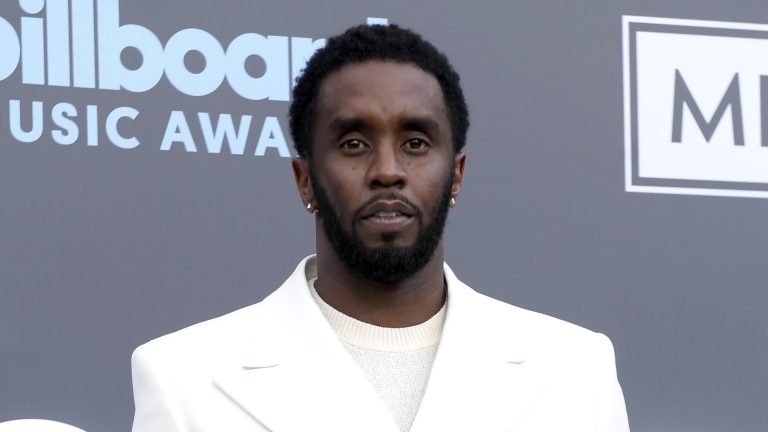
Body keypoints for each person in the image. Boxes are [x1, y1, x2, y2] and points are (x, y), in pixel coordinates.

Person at [131, 24, 630, 432]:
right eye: (353, 143)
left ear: (456, 174)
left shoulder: (576, 370)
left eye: (415, 142)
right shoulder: (184, 377)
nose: (387, 169)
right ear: (304, 180)